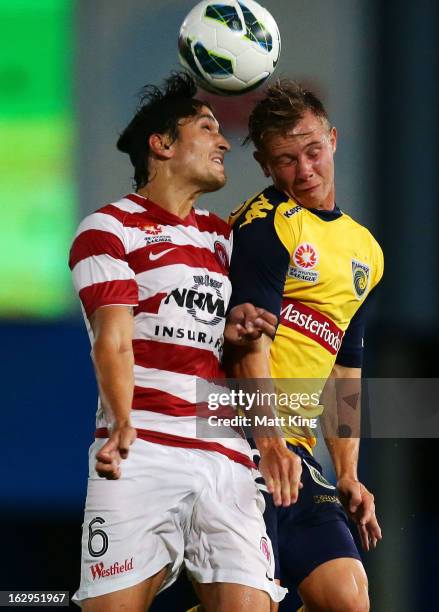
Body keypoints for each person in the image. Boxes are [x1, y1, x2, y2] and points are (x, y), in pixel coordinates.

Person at [69, 72, 301, 611]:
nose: (224, 142)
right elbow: (114, 336)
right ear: (163, 144)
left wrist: (231, 330)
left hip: (223, 454)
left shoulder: (222, 237)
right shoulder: (109, 228)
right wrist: (122, 419)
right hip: (142, 448)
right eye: (207, 127)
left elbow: (232, 347)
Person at [227, 80, 384, 612]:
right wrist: (268, 442)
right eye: (287, 160)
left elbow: (346, 369)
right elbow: (249, 344)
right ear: (267, 168)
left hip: (295, 448)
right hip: (235, 441)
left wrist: (346, 472)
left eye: (313, 151)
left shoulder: (366, 250)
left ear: (334, 140)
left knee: (348, 598)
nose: (306, 170)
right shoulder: (264, 225)